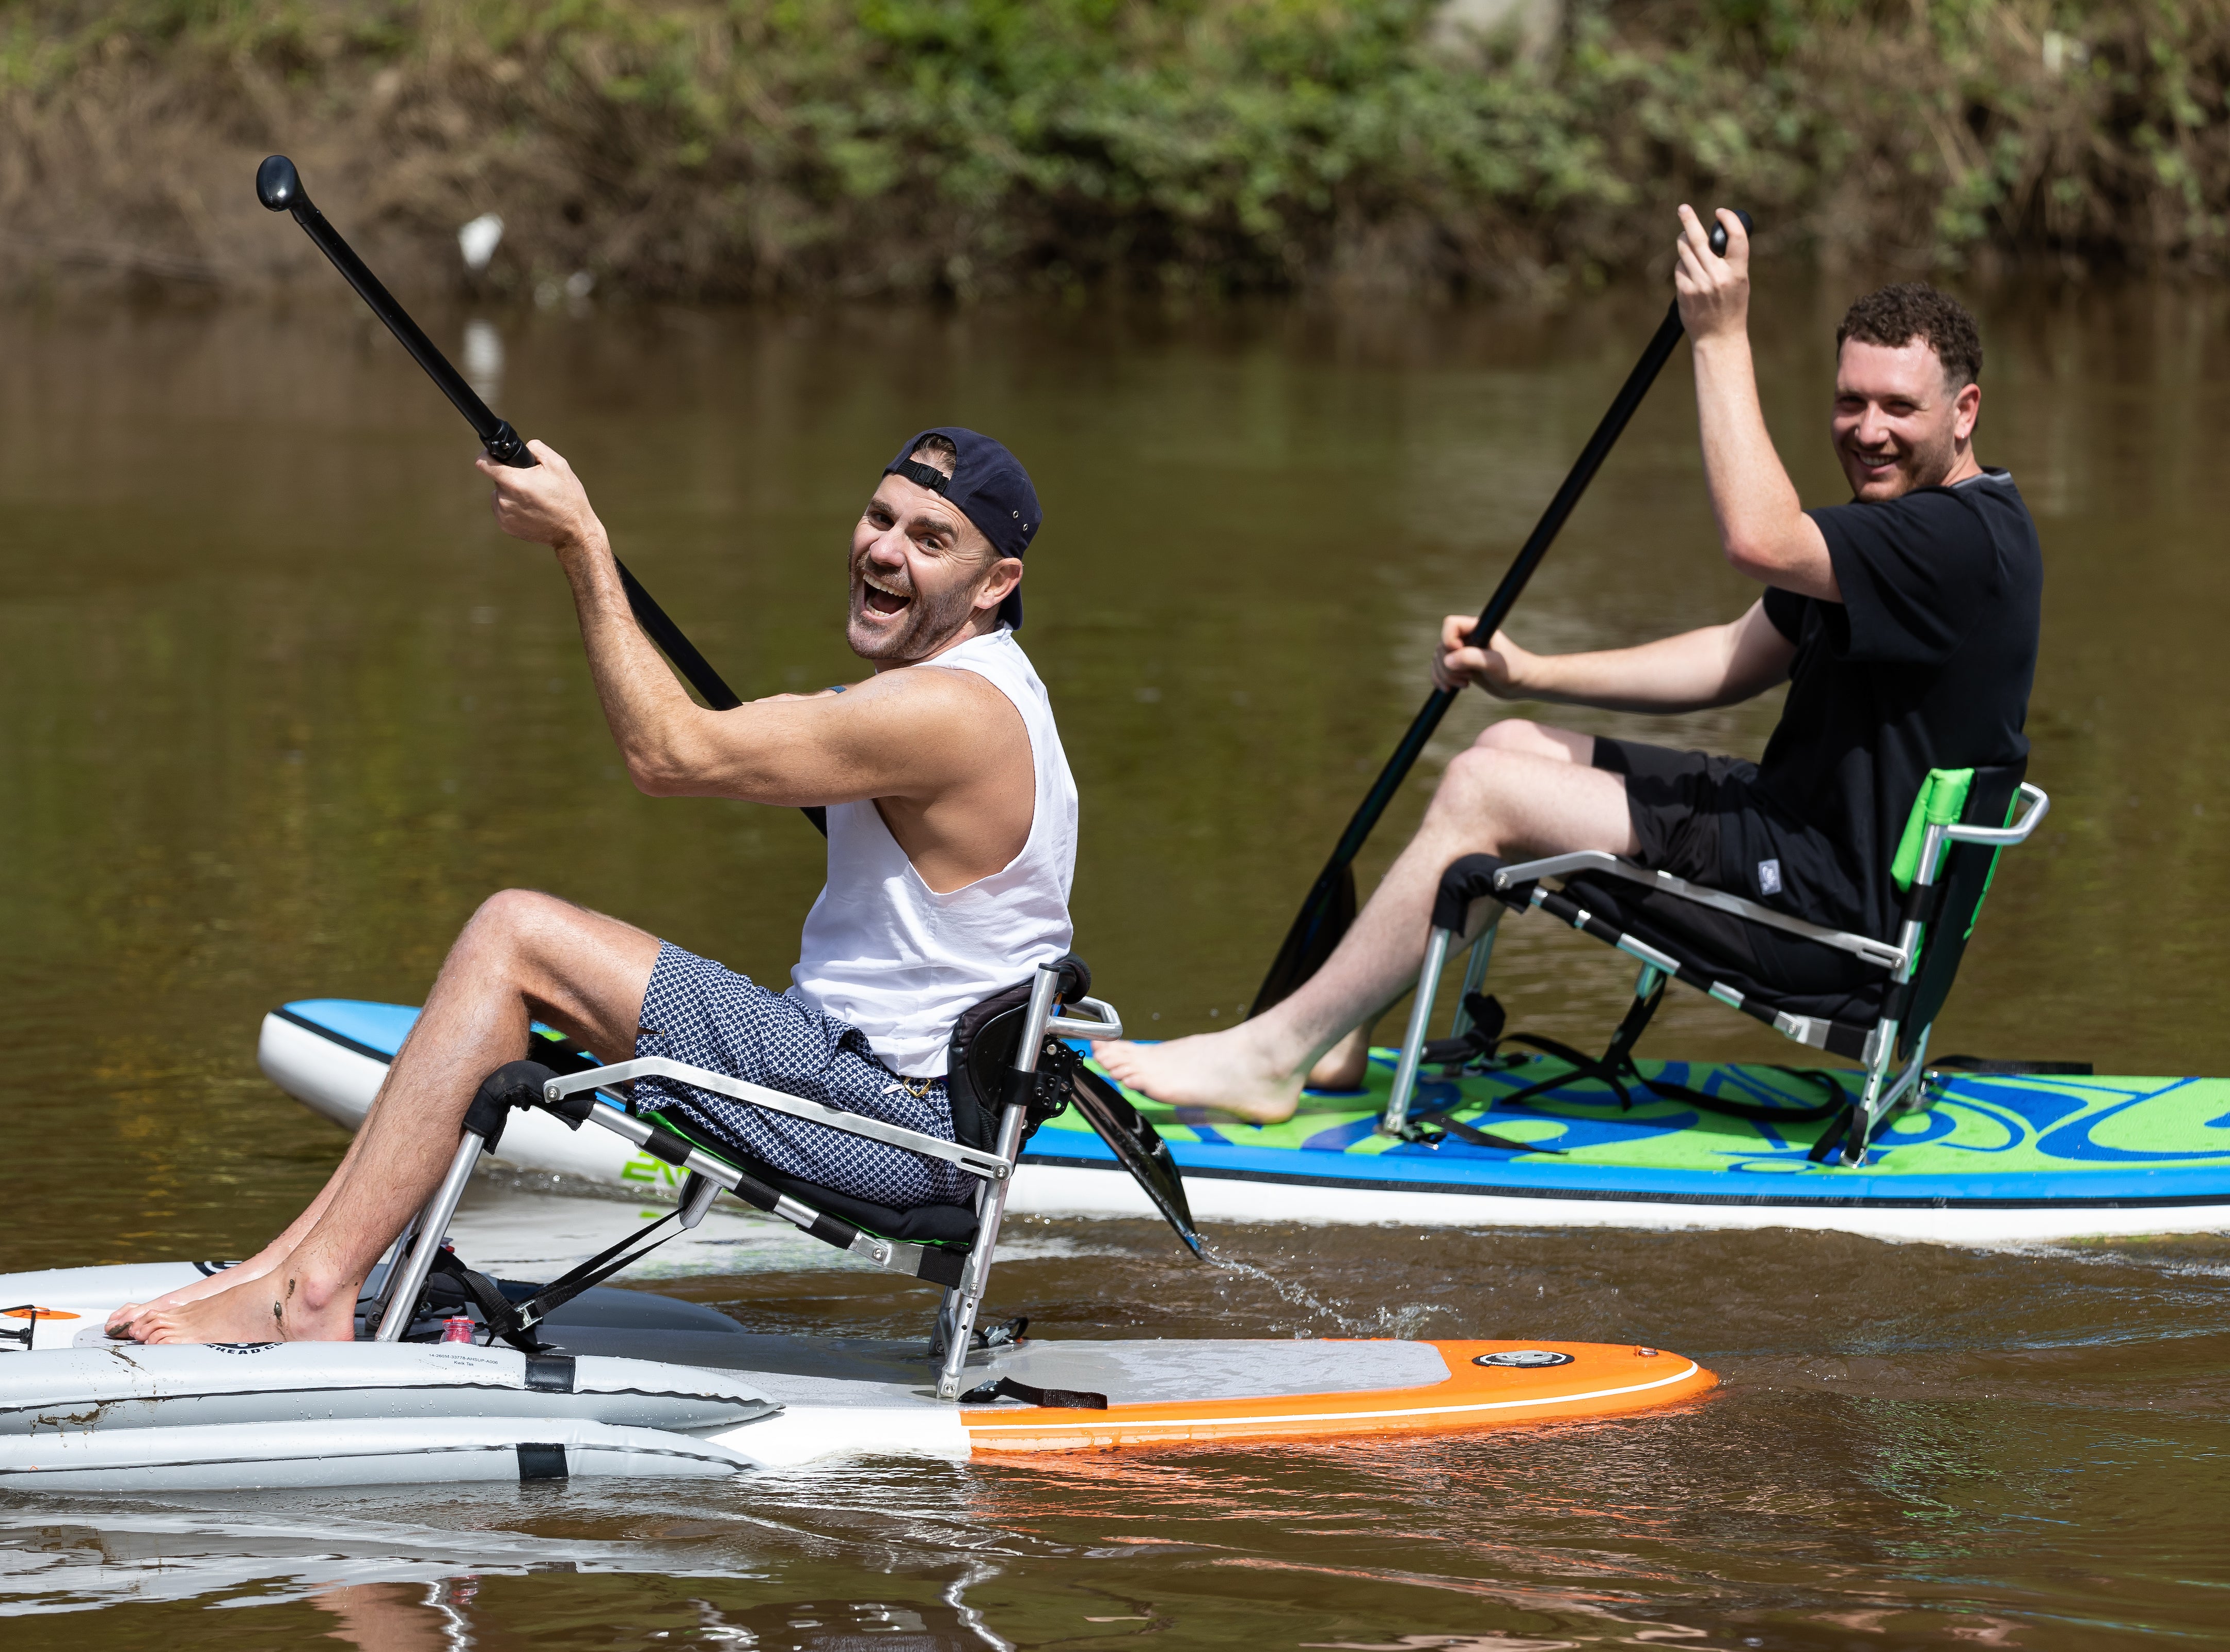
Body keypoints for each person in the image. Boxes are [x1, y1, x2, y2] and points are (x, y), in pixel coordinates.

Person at [109, 426, 1077, 1343]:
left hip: (891, 1127)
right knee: (517, 956)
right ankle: (294, 1269)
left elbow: (667, 752)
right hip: (865, 1085)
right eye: (880, 517)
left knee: (516, 935)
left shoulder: (947, 711)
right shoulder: (974, 692)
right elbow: (733, 744)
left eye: (931, 539)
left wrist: (581, 541)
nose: (884, 550)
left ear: (997, 583)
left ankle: (313, 1294)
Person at [1096, 206, 2040, 1123]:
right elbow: (1730, 658)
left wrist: (1718, 338)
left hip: (1830, 928)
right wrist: (1529, 671)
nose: (1867, 429)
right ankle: (1337, 1033)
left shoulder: (1952, 540)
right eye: (1850, 400)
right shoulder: (1910, 531)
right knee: (1511, 742)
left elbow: (1758, 536)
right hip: (1794, 843)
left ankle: (1271, 1057)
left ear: (1965, 412)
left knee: (1486, 792)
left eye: (1898, 408)